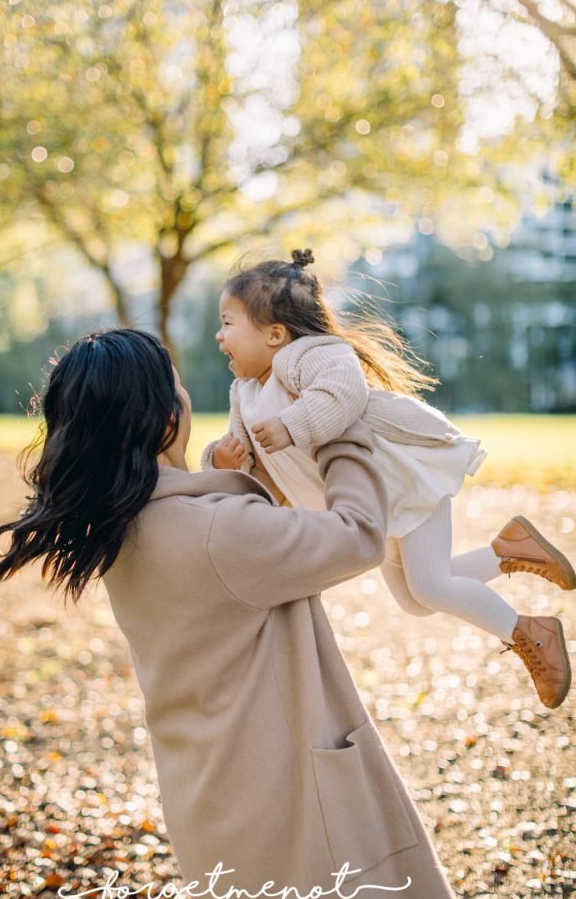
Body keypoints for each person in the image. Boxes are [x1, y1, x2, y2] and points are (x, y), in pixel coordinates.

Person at [0, 328, 485, 899]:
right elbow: (359, 534)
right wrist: (338, 427)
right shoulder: (216, 531)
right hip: (294, 801)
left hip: (209, 801)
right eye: (175, 385)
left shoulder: (118, 529)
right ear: (164, 418)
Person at [204, 249, 574, 710]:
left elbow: (342, 393)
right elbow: (247, 463)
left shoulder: (310, 355)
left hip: (401, 477)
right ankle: (509, 551)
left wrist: (290, 425)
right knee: (416, 601)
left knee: (431, 586)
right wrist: (221, 461)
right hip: (373, 504)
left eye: (227, 323)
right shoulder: (244, 393)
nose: (219, 336)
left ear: (275, 334)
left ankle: (532, 632)